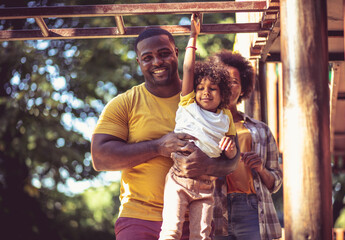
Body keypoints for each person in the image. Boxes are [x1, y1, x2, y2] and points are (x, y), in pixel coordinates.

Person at [90, 26, 240, 240]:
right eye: (147, 57)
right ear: (138, 63)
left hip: (195, 220)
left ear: (176, 53)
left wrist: (207, 165)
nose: (157, 62)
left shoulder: (208, 102)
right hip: (138, 219)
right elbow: (100, 158)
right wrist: (158, 146)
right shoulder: (124, 104)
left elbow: (234, 160)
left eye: (163, 53)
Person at [159, 15, 237, 240]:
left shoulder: (225, 118)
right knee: (171, 231)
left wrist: (230, 151)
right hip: (178, 178)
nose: (205, 92)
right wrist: (193, 37)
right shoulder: (188, 104)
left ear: (222, 93)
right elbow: (189, 70)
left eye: (213, 88)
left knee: (201, 235)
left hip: (206, 185)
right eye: (201, 87)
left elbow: (230, 153)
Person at [210, 50, 282, 240]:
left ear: (242, 89)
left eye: (233, 81)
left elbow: (275, 182)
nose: (227, 86)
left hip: (251, 209)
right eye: (222, 80)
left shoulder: (261, 130)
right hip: (214, 210)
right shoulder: (202, 127)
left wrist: (260, 169)